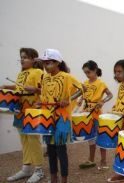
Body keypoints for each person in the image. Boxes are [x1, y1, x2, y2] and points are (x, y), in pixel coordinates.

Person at [38, 49, 83, 183]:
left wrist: (68, 100)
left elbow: (81, 89)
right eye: (44, 63)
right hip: (47, 117)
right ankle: (53, 178)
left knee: (60, 150)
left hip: (62, 118)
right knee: (50, 150)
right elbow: (45, 94)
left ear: (57, 62)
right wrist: (41, 102)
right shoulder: (45, 77)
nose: (46, 66)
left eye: (49, 63)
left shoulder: (66, 76)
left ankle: (64, 179)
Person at [1, 48, 44, 183]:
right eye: (21, 57)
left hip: (32, 110)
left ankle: (39, 169)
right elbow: (19, 87)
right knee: (24, 140)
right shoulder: (21, 74)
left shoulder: (38, 72)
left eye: (25, 57)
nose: (22, 59)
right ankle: (26, 168)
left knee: (33, 140)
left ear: (33, 59)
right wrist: (6, 86)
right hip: (19, 111)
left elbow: (46, 88)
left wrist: (38, 96)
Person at [78, 60, 113, 169]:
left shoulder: (101, 83)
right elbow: (83, 94)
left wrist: (103, 101)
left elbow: (110, 95)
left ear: (95, 71)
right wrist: (80, 99)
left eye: (88, 72)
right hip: (86, 114)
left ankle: (103, 161)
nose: (87, 75)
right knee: (90, 138)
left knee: (101, 138)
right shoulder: (85, 83)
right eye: (85, 73)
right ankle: (91, 160)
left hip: (96, 115)